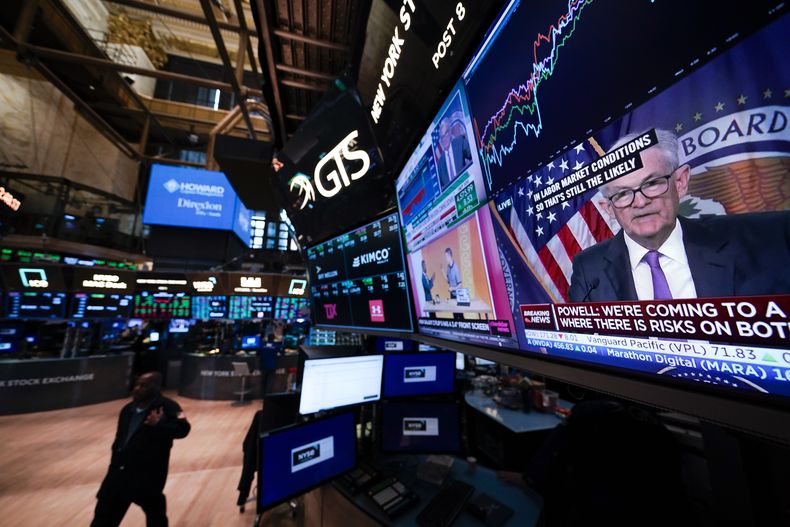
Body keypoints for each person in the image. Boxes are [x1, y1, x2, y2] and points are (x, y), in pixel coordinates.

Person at [568, 129, 790, 302]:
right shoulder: (589, 270)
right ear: (608, 208)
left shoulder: (764, 239)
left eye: (652, 183)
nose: (641, 202)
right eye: (623, 194)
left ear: (680, 182)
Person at [92, 372, 190, 527]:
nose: (137, 388)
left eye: (143, 386)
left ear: (156, 387)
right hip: (118, 475)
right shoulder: (127, 410)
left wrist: (160, 424)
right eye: (137, 384)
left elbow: (183, 430)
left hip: (147, 477)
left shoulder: (169, 407)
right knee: (103, 519)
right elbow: (120, 440)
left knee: (155, 516)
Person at [435, 117, 472, 189]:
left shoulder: (460, 142)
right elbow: (439, 188)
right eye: (442, 137)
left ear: (449, 133)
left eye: (445, 134)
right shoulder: (440, 163)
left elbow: (473, 153)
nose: (444, 139)